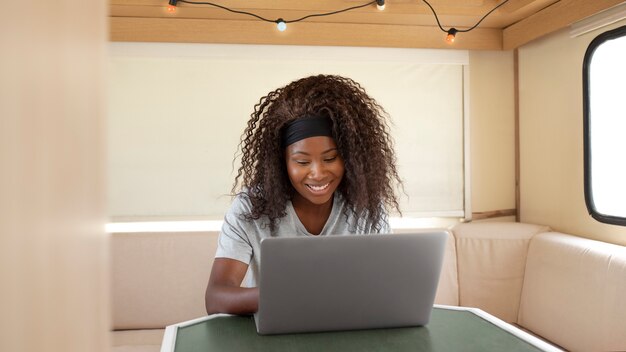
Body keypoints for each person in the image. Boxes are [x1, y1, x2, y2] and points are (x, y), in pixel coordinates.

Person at [204, 74, 402, 315]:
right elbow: (216, 298)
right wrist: (298, 293)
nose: (317, 173)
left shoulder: (366, 208)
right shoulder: (251, 209)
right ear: (282, 163)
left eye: (330, 158)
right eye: (302, 161)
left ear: (349, 157)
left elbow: (385, 288)